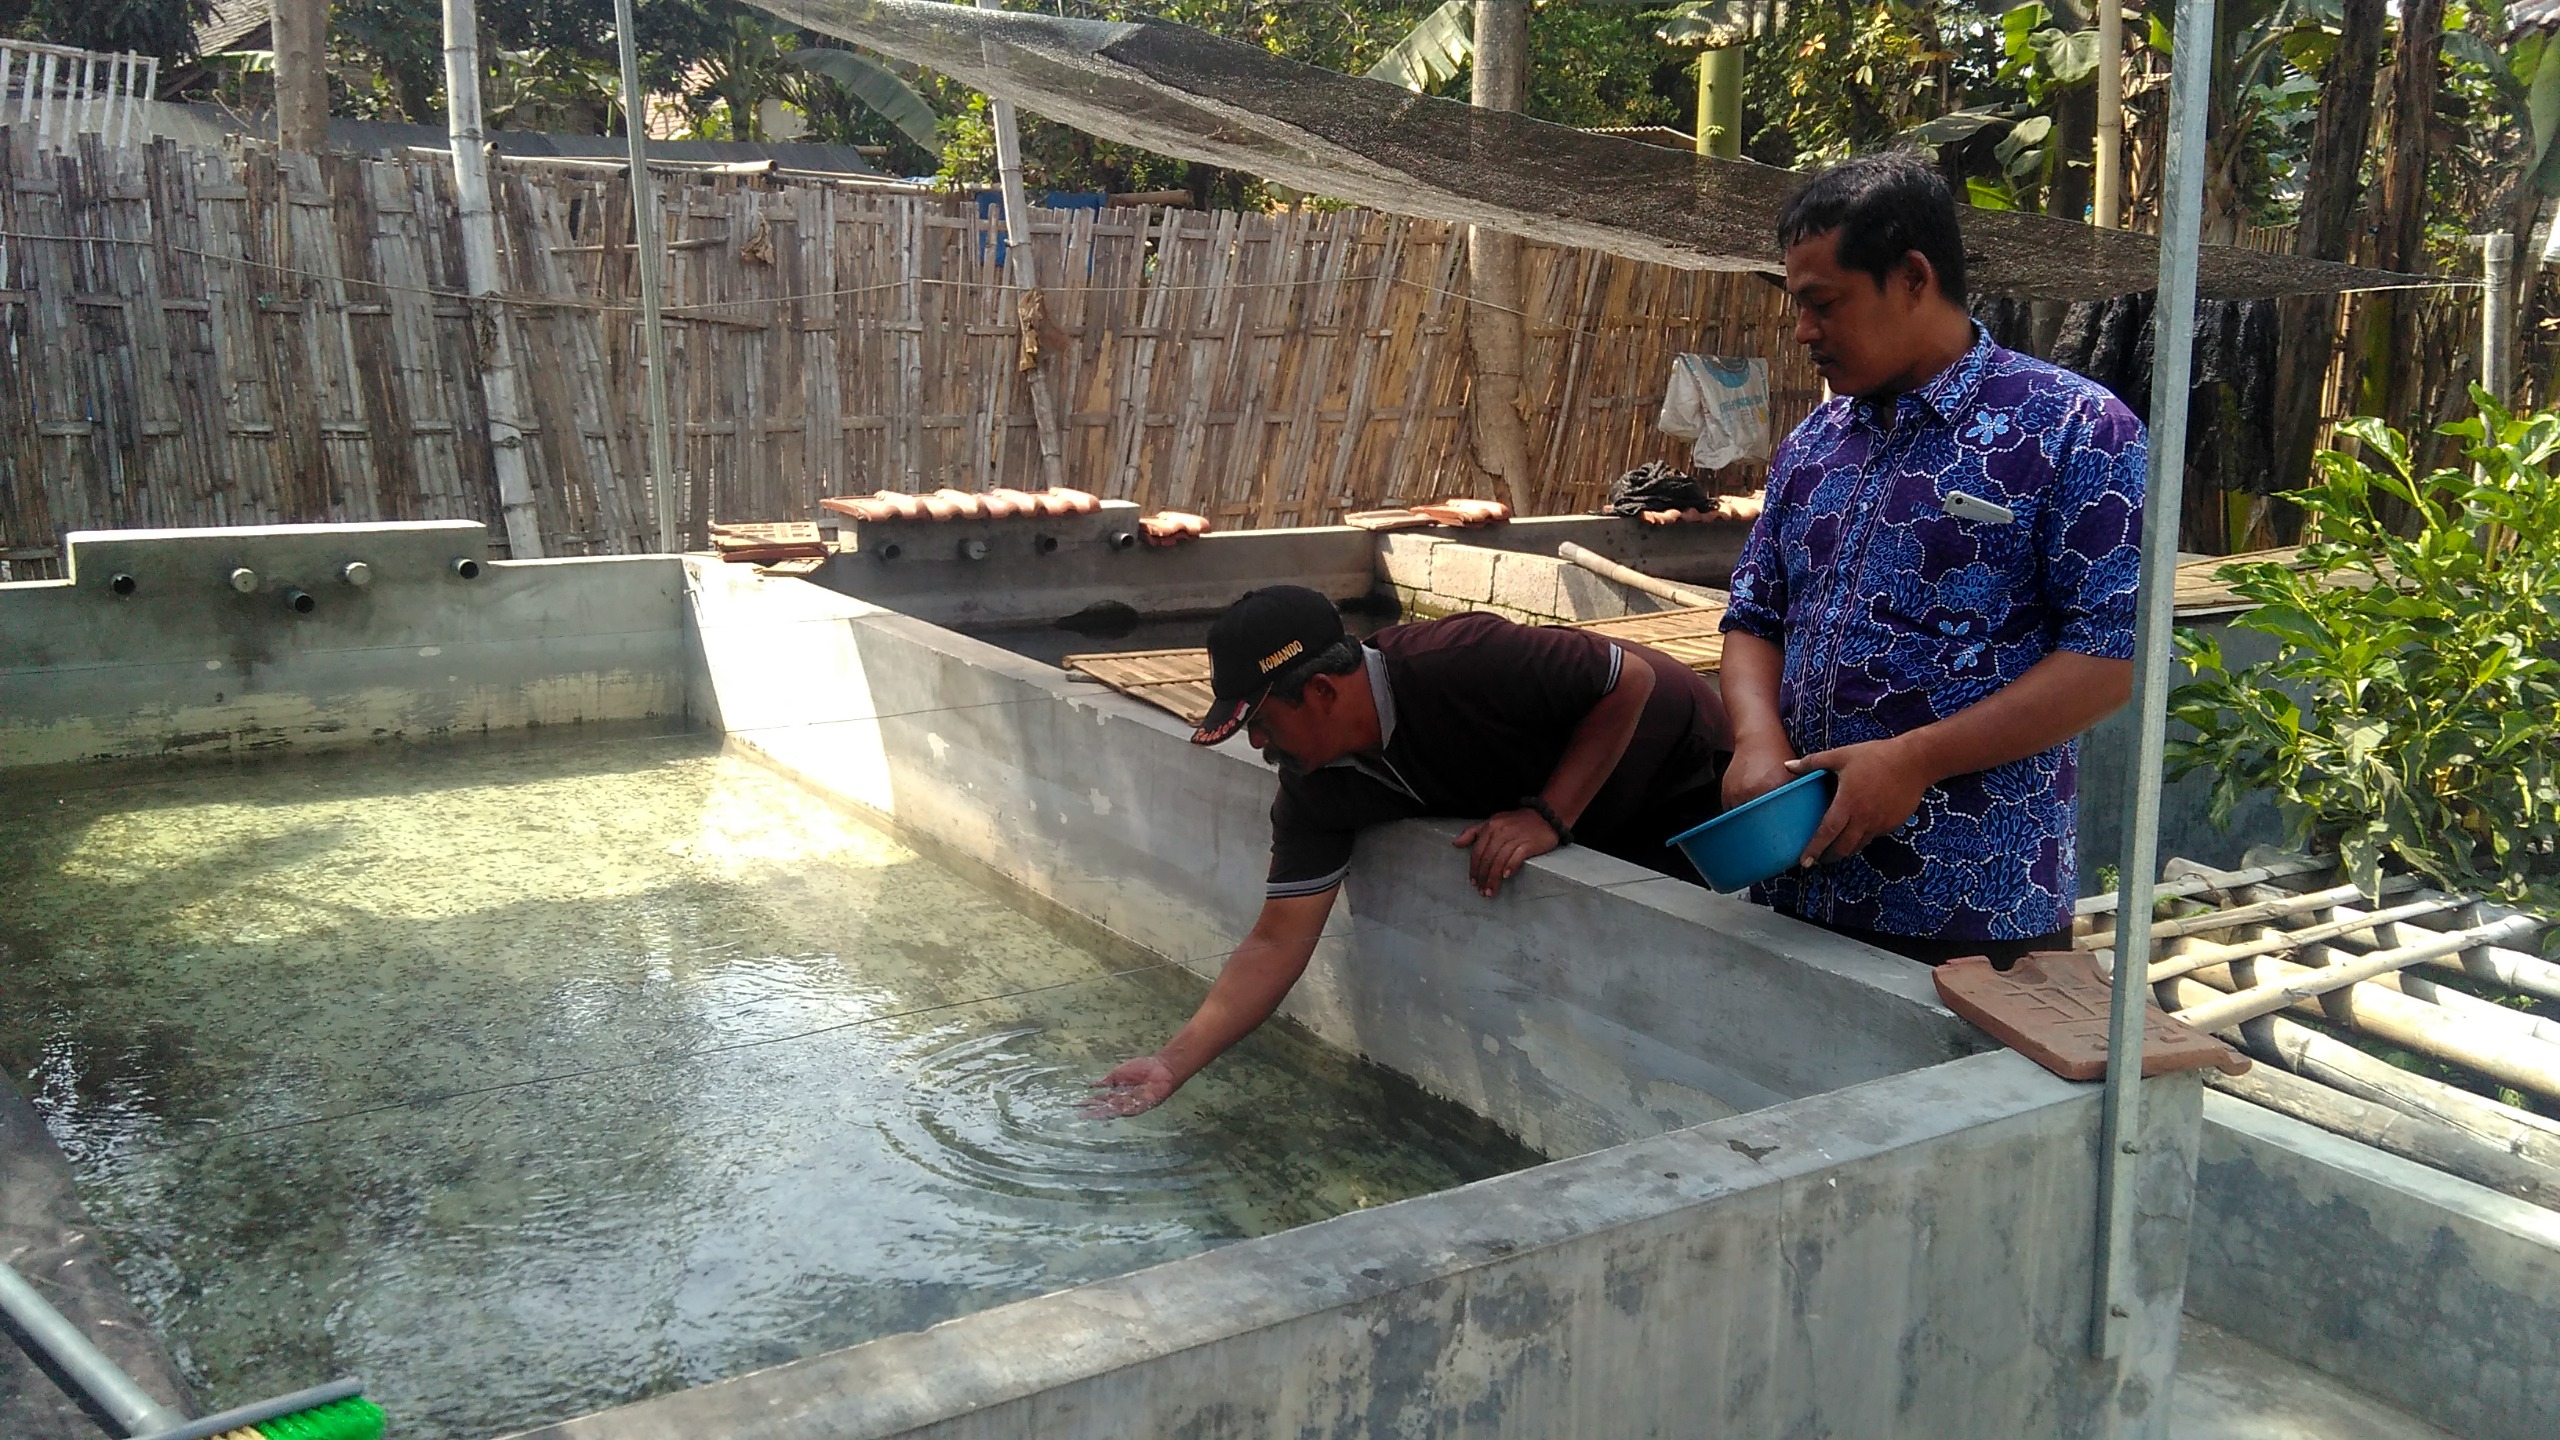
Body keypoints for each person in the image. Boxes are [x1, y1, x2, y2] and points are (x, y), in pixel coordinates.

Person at [1718, 150, 2146, 967]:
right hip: (1797, 889)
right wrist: (1754, 738)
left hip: (1976, 912)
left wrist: (1915, 760)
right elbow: (1754, 615)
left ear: (1913, 278)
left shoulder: (2074, 430)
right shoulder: (1813, 446)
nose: (1803, 331)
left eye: (1823, 304)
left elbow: (2114, 657)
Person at [1088, 585, 1732, 1116]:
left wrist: (1548, 816)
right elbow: (1275, 939)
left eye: (1260, 721)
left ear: (1320, 692)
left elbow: (1630, 679)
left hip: (1673, 762)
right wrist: (1173, 1061)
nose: (1258, 744)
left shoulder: (1460, 657)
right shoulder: (1316, 788)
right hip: (1563, 788)